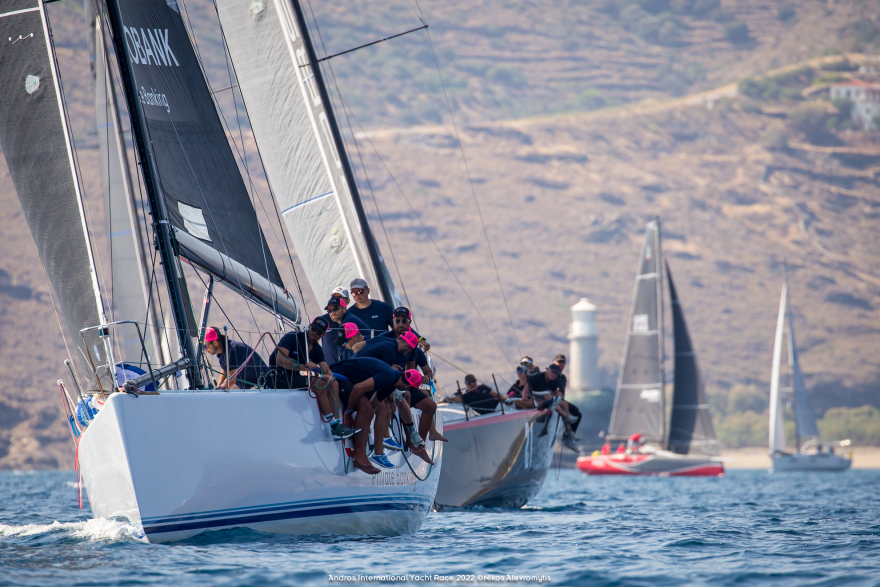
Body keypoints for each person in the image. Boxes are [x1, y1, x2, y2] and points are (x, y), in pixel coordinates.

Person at [331, 356, 432, 472]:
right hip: (338, 374)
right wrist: (348, 412)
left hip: (350, 378)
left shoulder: (392, 382)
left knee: (368, 410)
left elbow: (373, 406)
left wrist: (367, 420)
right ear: (408, 386)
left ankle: (362, 454)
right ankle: (359, 455)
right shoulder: (388, 377)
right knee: (365, 407)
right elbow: (358, 388)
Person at [267, 317, 358, 441]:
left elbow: (325, 368)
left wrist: (330, 376)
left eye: (319, 332)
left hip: (297, 376)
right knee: (319, 383)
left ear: (324, 334)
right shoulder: (292, 338)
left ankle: (337, 425)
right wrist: (303, 367)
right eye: (313, 329)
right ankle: (333, 425)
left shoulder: (316, 348)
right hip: (280, 377)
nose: (314, 333)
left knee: (334, 384)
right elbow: (280, 360)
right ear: (309, 326)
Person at [203, 326, 268, 389]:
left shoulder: (232, 350)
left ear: (215, 342)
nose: (205, 349)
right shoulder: (221, 350)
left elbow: (231, 380)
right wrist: (218, 387)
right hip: (247, 385)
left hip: (262, 385)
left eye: (206, 346)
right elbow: (226, 369)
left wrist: (219, 392)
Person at [551, 354, 582, 451]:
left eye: (562, 362)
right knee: (568, 410)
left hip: (561, 399)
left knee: (577, 413)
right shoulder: (551, 373)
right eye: (558, 362)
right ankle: (567, 434)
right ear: (554, 362)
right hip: (552, 399)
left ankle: (568, 437)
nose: (560, 364)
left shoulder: (563, 377)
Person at [325, 297, 369, 362]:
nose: (332, 312)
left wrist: (341, 362)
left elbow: (346, 345)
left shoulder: (348, 322)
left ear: (344, 308)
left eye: (335, 308)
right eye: (329, 310)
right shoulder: (346, 319)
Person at [321, 286, 350, 365]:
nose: (336, 300)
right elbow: (312, 340)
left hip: (349, 367)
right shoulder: (323, 320)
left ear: (347, 301)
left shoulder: (352, 319)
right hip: (329, 369)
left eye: (340, 297)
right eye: (333, 297)